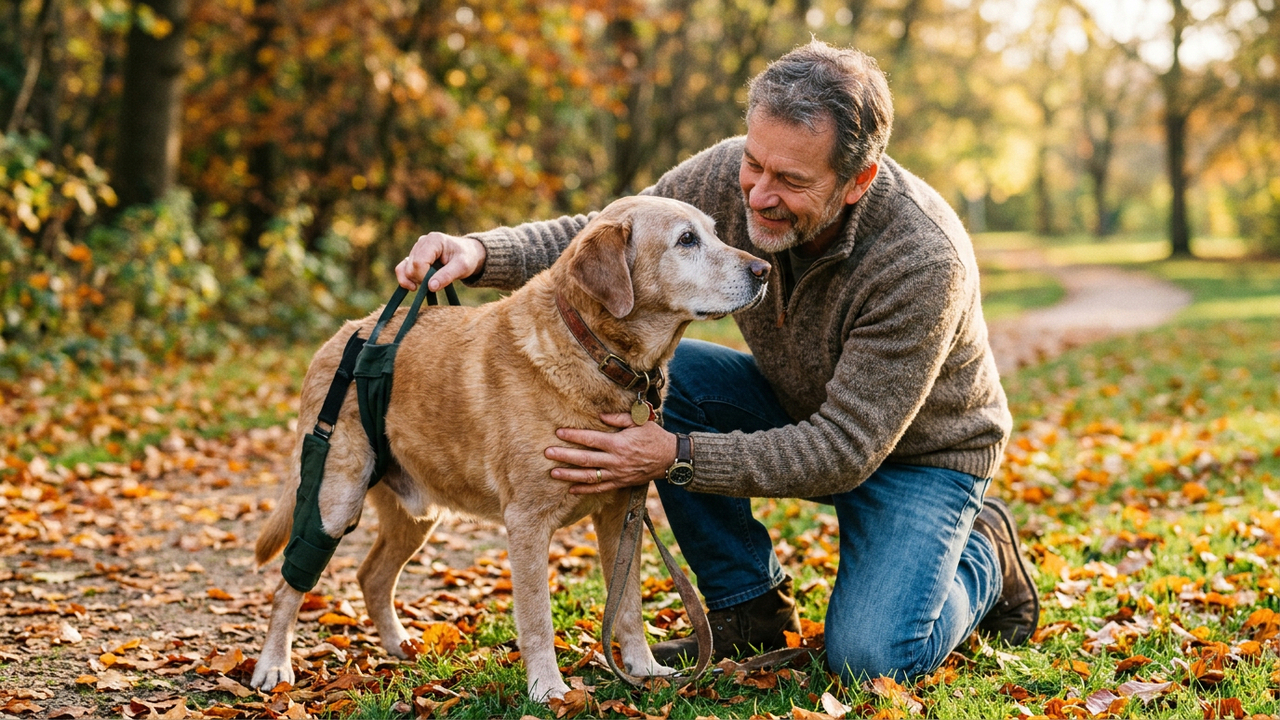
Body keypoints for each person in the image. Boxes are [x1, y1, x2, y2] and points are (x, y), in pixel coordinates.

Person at [395, 40, 1037, 682]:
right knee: (683, 378)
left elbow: (845, 449)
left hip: (918, 458)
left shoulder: (921, 261)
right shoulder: (729, 174)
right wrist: (482, 252)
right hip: (798, 403)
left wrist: (674, 456)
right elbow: (609, 234)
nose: (758, 194)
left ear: (857, 182)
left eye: (790, 180)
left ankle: (984, 556)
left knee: (872, 658)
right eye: (754, 163)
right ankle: (746, 608)